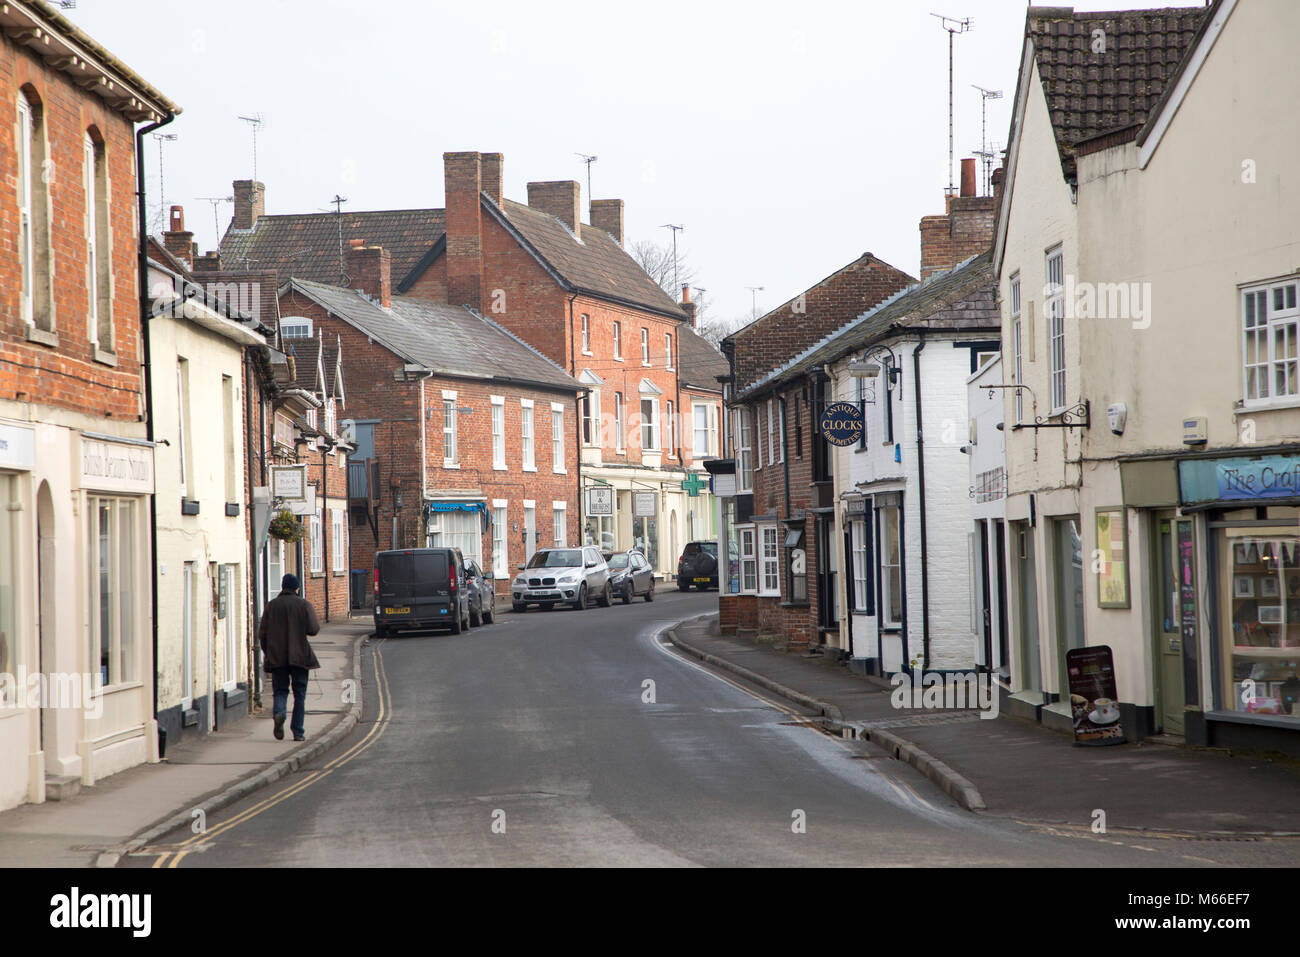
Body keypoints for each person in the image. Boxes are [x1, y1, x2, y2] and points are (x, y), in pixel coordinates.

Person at [258, 573, 321, 742]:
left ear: (282, 587)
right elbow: (314, 629)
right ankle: (298, 731)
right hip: (300, 657)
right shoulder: (304, 605)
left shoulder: (271, 606)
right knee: (300, 694)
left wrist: (268, 651)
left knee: (280, 691)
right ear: (297, 588)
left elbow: (262, 634)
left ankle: (279, 714)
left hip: (278, 657)